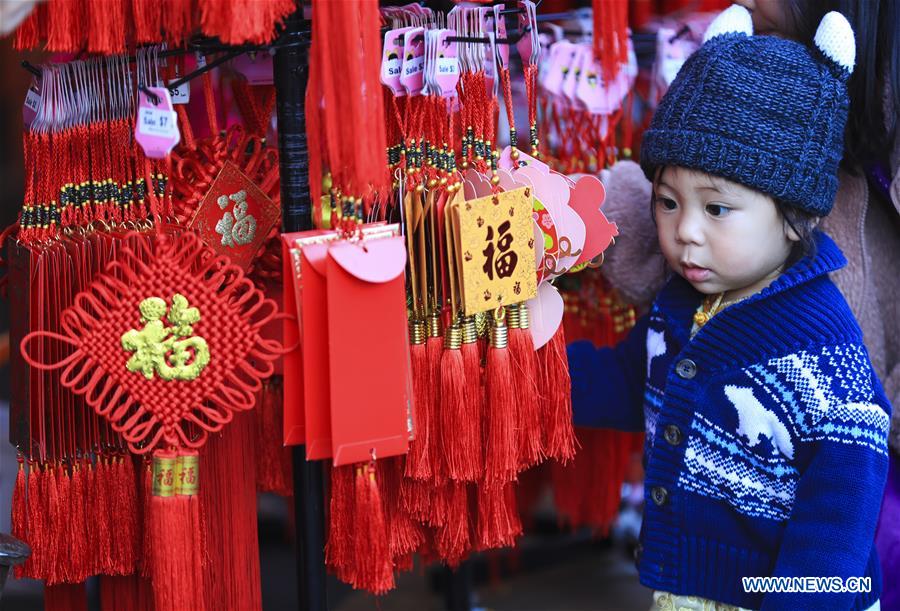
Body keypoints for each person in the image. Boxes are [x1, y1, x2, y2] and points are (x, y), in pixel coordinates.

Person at [569, 6, 890, 610]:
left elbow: (835, 534)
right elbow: (629, 380)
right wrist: (529, 375)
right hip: (688, 591)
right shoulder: (683, 303)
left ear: (797, 218)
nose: (684, 231)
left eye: (716, 209)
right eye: (667, 201)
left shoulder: (823, 359)